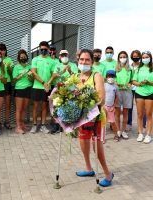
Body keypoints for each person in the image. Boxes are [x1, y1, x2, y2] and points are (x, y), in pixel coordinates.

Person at [76, 49, 113, 187]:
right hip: (82, 118)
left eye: (87, 60)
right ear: (78, 60)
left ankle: (108, 175)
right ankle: (88, 169)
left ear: (92, 62)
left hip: (97, 118)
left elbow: (102, 99)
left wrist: (83, 99)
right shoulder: (75, 76)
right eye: (81, 59)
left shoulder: (96, 76)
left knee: (97, 148)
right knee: (83, 144)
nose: (84, 62)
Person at [48, 50, 78, 134]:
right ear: (60, 57)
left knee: (71, 107)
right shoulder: (57, 65)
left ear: (68, 56)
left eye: (66, 55)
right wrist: (63, 71)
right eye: (62, 55)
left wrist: (70, 71)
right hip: (60, 88)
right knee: (57, 107)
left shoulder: (73, 65)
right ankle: (57, 126)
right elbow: (54, 75)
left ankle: (71, 127)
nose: (64, 57)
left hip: (71, 89)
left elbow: (76, 76)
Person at [30, 41, 55, 134]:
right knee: (36, 106)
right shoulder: (35, 59)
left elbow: (53, 75)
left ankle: (43, 125)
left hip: (47, 87)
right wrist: (43, 82)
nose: (43, 51)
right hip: (37, 86)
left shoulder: (52, 61)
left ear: (48, 49)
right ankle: (35, 125)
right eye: (42, 49)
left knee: (45, 106)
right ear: (39, 49)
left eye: (45, 49)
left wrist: (48, 83)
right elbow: (34, 73)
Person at [132, 51, 153, 144]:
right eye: (143, 57)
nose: (145, 59)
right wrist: (140, 83)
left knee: (148, 115)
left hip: (150, 93)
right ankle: (140, 134)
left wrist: (148, 82)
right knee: (140, 114)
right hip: (139, 92)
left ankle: (148, 135)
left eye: (147, 57)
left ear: (150, 58)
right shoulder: (139, 69)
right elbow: (133, 81)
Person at [13, 49, 33, 134]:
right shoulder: (16, 67)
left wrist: (29, 76)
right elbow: (14, 80)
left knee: (24, 108)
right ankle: (18, 127)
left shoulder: (29, 67)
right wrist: (21, 75)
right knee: (19, 108)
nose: (23, 58)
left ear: (27, 57)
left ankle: (22, 124)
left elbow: (32, 80)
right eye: (21, 57)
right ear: (19, 58)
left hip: (28, 88)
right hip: (19, 89)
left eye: (24, 57)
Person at [127, 50, 146, 132]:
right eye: (134, 56)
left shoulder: (142, 67)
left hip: (140, 89)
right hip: (130, 89)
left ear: (140, 57)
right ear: (131, 57)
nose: (136, 58)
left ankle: (143, 125)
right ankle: (129, 124)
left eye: (137, 56)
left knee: (142, 108)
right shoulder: (129, 67)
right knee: (129, 107)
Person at [114, 51, 133, 139]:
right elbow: (113, 80)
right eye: (121, 57)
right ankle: (118, 131)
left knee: (126, 113)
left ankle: (124, 131)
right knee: (117, 113)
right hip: (117, 92)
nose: (122, 58)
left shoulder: (130, 69)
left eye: (124, 57)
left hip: (127, 92)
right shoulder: (115, 68)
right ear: (118, 58)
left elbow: (132, 81)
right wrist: (120, 85)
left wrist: (129, 84)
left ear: (127, 58)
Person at [0, 43, 14, 130]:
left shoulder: (9, 60)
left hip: (7, 83)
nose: (2, 51)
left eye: (3, 50)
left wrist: (9, 68)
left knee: (7, 104)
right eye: (0, 50)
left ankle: (6, 121)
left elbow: (12, 73)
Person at [103, 70, 119, 142]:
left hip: (110, 107)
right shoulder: (104, 85)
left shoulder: (115, 87)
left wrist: (114, 106)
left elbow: (117, 97)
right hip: (103, 106)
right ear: (106, 77)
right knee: (103, 122)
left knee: (112, 122)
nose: (110, 78)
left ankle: (116, 135)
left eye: (112, 76)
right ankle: (102, 137)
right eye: (109, 76)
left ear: (115, 77)